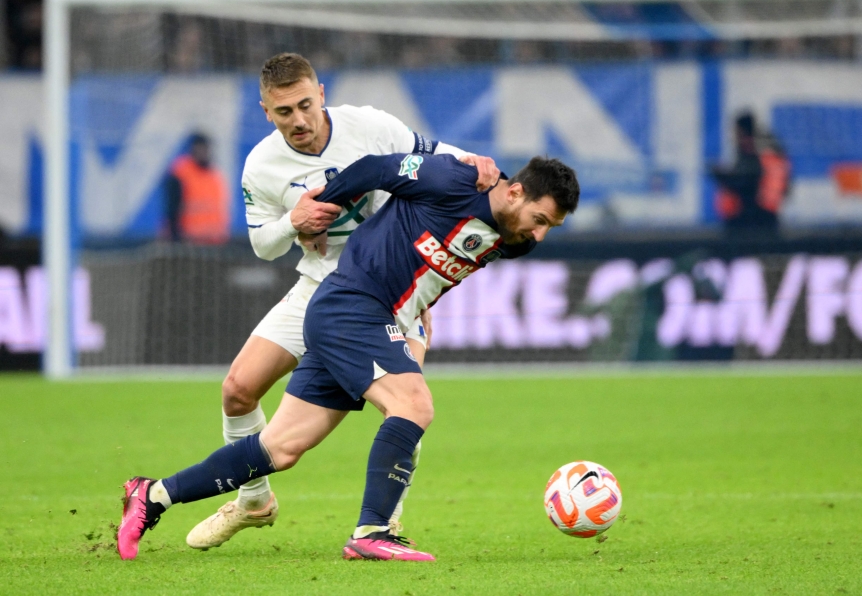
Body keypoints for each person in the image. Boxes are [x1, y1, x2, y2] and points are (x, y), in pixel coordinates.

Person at [117, 152, 580, 562]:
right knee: (413, 404)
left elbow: (442, 254)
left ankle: (153, 495)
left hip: (363, 317)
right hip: (353, 305)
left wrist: (423, 303)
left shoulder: (510, 239)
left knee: (281, 448)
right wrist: (325, 208)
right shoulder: (452, 180)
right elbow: (375, 169)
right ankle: (374, 531)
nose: (538, 236)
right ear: (515, 191)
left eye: (550, 229)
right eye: (539, 219)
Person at [184, 52, 499, 550]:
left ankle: (385, 526)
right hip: (318, 287)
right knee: (238, 389)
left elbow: (441, 156)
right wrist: (293, 223)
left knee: (406, 405)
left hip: (393, 290)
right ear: (266, 111)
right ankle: (253, 502)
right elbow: (262, 243)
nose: (299, 120)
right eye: (284, 112)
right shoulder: (262, 165)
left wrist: (475, 160)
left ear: (322, 94)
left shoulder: (371, 127)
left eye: (305, 105)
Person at [711, 111, 790, 236]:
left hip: (754, 220)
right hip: (757, 217)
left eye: (737, 132)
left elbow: (746, 183)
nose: (735, 137)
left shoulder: (758, 152)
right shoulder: (764, 150)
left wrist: (722, 177)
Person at [164, 132, 230, 244]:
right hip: (187, 242)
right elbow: (172, 210)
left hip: (214, 242)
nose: (203, 152)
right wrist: (176, 239)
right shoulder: (181, 173)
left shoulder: (215, 176)